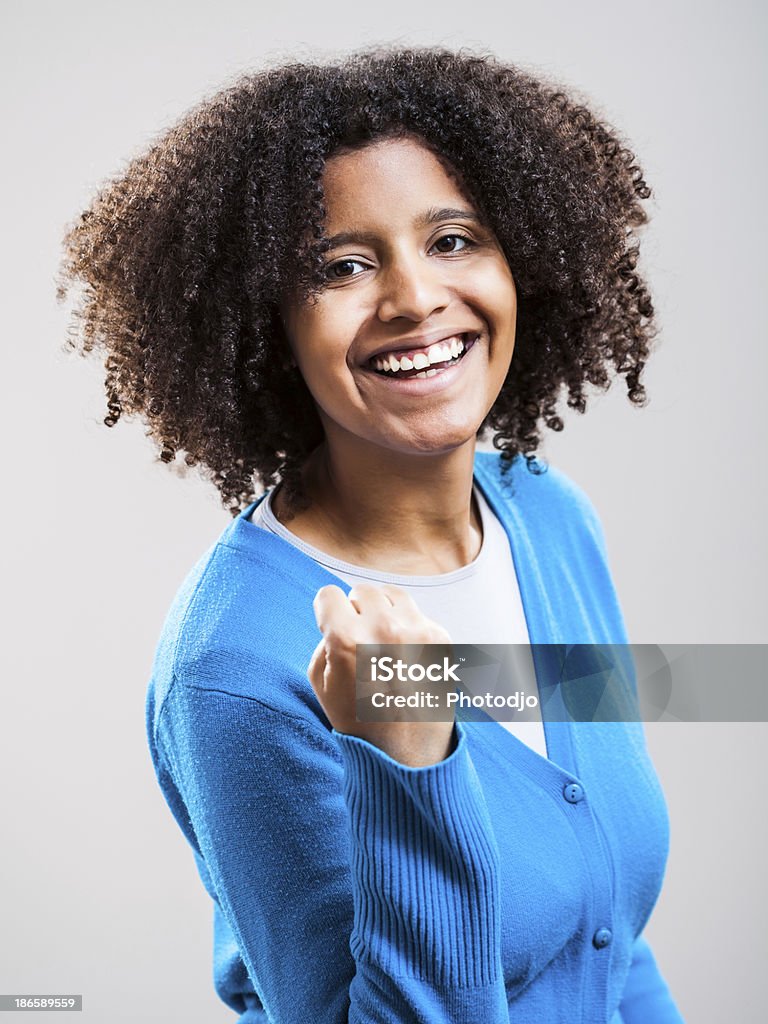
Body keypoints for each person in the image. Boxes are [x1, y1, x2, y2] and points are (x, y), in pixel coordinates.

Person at [59, 46, 684, 1023]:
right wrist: (409, 770)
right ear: (267, 320)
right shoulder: (236, 666)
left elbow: (606, 948)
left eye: (452, 240)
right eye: (343, 264)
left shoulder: (553, 521)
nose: (413, 299)